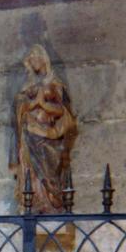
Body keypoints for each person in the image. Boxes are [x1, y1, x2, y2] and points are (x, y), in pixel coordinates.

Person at [11, 44, 77, 214]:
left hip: (48, 134)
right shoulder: (28, 85)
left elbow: (62, 110)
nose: (34, 62)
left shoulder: (54, 83)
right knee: (30, 169)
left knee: (49, 169)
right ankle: (34, 201)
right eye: (31, 60)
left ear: (43, 59)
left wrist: (44, 105)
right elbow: (20, 105)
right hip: (29, 132)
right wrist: (32, 103)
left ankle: (50, 201)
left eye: (36, 58)